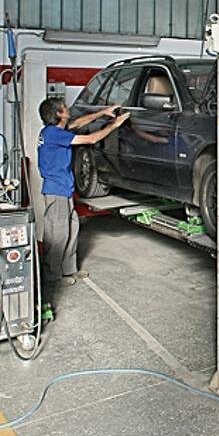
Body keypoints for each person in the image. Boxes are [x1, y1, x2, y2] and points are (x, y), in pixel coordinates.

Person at [37, 98, 130, 298]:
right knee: (57, 234)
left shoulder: (54, 131)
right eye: (64, 108)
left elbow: (79, 122)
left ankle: (68, 270)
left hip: (64, 189)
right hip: (56, 191)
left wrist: (103, 112)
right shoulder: (54, 134)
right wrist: (114, 124)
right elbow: (91, 139)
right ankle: (53, 276)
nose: (68, 109)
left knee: (71, 228)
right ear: (59, 114)